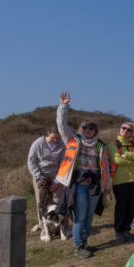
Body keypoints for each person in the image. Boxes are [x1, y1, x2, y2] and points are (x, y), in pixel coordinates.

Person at [55, 92, 112, 258]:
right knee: (80, 215)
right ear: (81, 129)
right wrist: (63, 107)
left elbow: (105, 167)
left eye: (91, 128)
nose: (87, 130)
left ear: (95, 131)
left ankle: (85, 242)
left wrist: (107, 185)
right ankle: (78, 245)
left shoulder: (100, 145)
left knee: (88, 214)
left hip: (94, 184)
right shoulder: (73, 139)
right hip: (79, 184)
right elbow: (61, 124)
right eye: (85, 128)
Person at [107, 122, 134, 243]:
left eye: (129, 130)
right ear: (120, 129)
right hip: (120, 180)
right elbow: (117, 160)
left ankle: (126, 231)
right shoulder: (113, 144)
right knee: (121, 207)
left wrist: (127, 155)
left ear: (132, 133)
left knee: (131, 207)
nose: (126, 131)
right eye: (124, 128)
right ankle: (119, 232)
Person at [27, 126, 66, 236]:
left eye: (58, 138)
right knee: (41, 203)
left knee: (58, 202)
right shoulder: (37, 144)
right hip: (40, 176)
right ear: (47, 133)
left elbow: (63, 165)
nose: (56, 141)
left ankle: (62, 227)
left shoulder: (63, 145)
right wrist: (39, 177)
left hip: (57, 176)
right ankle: (43, 227)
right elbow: (31, 162)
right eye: (53, 138)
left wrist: (57, 182)